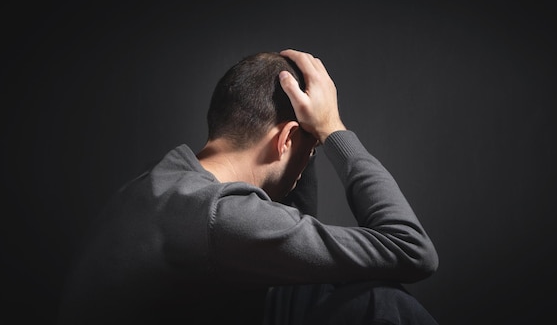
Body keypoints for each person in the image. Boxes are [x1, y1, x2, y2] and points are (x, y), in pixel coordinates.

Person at [58, 49, 439, 324]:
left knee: (333, 296)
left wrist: (301, 143)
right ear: (287, 138)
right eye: (308, 150)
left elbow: (296, 261)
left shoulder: (167, 181)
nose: (309, 159)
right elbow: (410, 249)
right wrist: (331, 129)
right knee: (380, 305)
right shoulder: (221, 218)